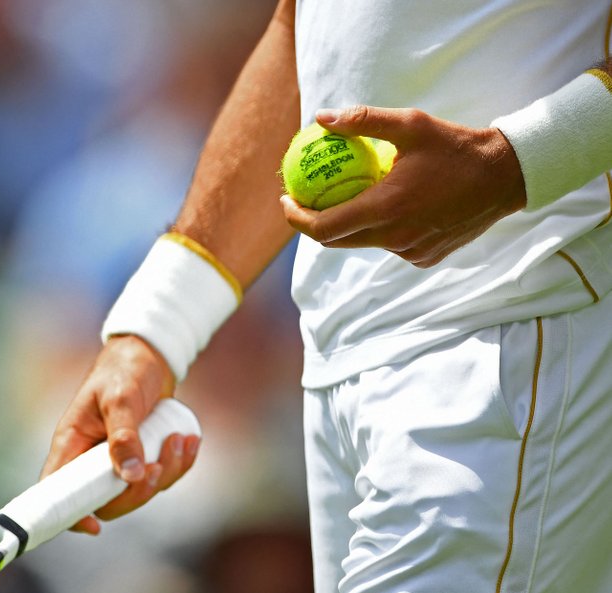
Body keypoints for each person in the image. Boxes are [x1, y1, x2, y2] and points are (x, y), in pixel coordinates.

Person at [39, 0, 612, 592]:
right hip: (340, 366)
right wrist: (156, 330)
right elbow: (301, 32)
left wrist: (510, 164)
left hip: (518, 325)